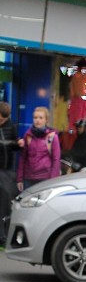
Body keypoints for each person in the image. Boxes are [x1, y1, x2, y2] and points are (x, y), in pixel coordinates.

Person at [16, 106, 60, 191]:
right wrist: (20, 179)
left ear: (46, 120)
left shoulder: (52, 137)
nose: (37, 120)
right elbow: (23, 158)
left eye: (40, 118)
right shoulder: (28, 135)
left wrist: (53, 180)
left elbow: (56, 160)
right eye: (35, 117)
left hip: (45, 178)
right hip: (29, 178)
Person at [0, 101, 20, 246]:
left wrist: (16, 144)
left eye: (4, 119)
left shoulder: (11, 127)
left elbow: (14, 145)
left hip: (7, 170)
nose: (2, 121)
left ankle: (4, 235)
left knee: (6, 203)